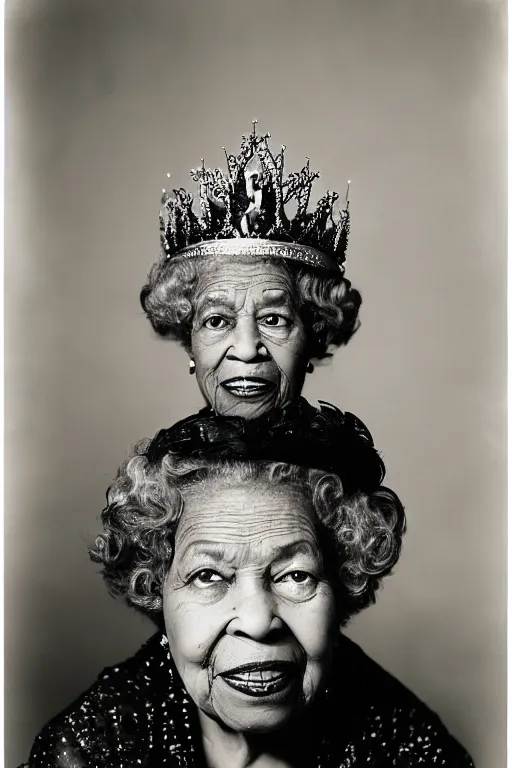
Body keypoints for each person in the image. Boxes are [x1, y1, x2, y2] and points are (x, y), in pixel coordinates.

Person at [23, 403, 474, 767]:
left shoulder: (411, 749)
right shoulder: (88, 750)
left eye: (295, 575)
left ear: (342, 587)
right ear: (157, 588)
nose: (258, 622)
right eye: (208, 576)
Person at [140, 123, 361, 419]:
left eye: (273, 319)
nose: (246, 350)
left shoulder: (349, 467)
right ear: (190, 343)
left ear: (313, 337)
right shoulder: (152, 467)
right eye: (217, 320)